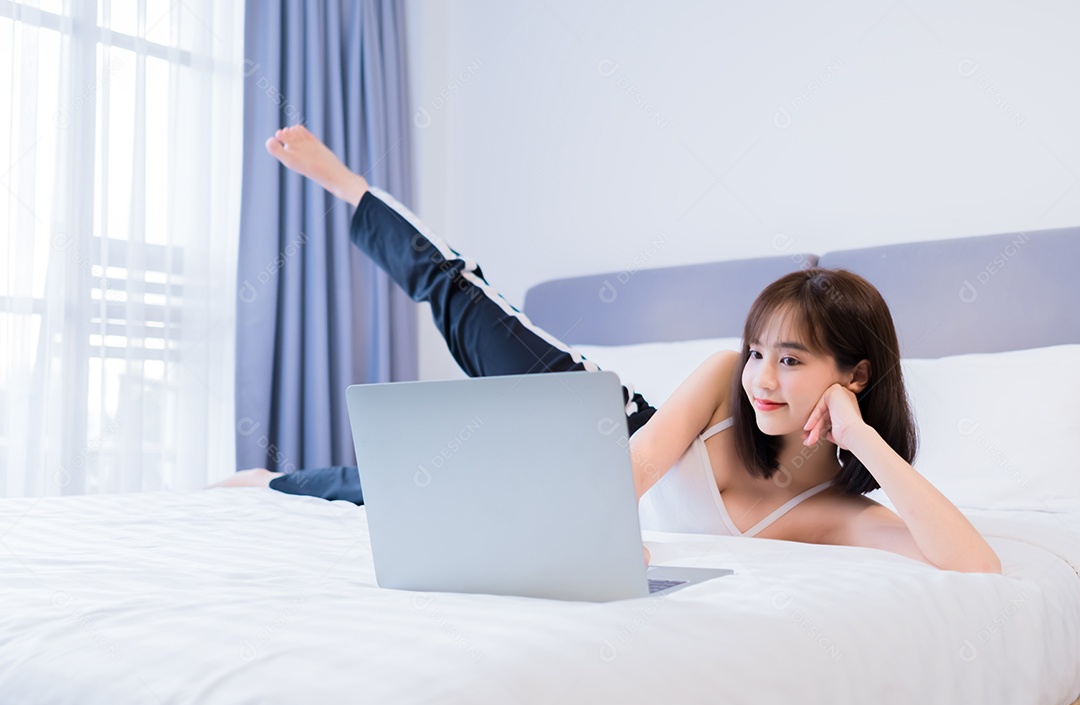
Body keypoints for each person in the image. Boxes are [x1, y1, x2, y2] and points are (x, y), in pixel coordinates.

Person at [211, 125, 1002, 575]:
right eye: (760, 351)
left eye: (791, 361)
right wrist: (599, 534)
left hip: (560, 483)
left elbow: (973, 564)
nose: (762, 378)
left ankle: (274, 481)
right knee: (459, 296)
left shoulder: (832, 514)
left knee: (417, 484)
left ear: (855, 374)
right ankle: (348, 184)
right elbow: (638, 464)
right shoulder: (727, 377)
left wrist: (861, 436)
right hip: (588, 415)